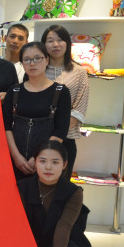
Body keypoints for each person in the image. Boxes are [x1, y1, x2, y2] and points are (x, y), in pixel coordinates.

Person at [2, 42, 71, 181]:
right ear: (22, 63)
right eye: (27, 59)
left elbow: (61, 131)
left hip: (46, 163)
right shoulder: (14, 91)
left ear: (47, 60)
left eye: (37, 58)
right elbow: (6, 126)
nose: (32, 63)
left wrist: (39, 158)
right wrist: (16, 157)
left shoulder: (61, 92)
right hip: (15, 161)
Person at [42, 25, 89, 178]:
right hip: (38, 139)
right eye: (50, 41)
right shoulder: (38, 69)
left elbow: (79, 109)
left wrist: (56, 136)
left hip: (66, 140)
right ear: (44, 44)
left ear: (68, 43)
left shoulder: (79, 72)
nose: (55, 44)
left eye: (60, 40)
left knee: (62, 186)